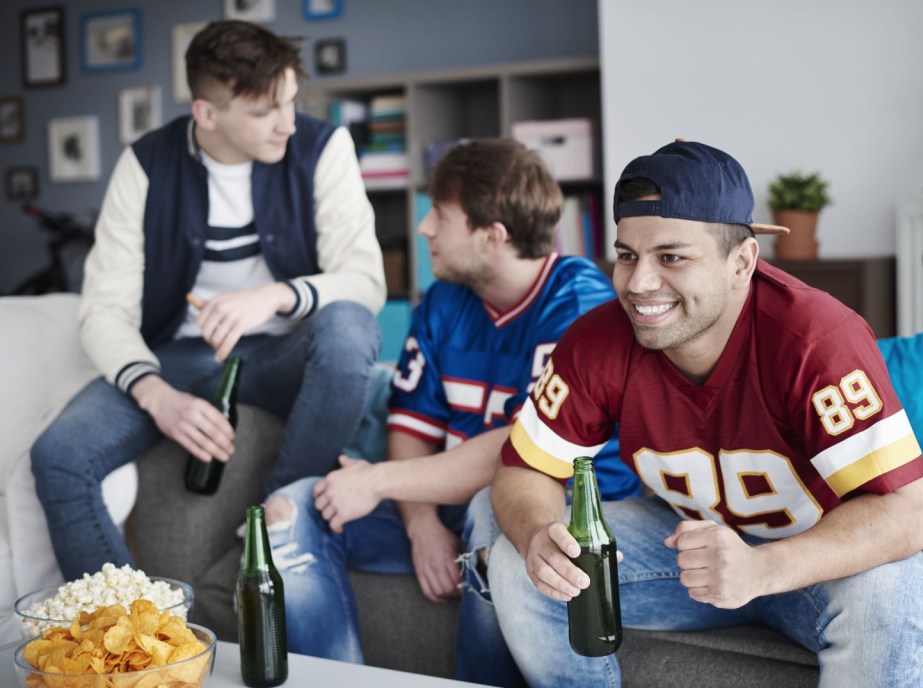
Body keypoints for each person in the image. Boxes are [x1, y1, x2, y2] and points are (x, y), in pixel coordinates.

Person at [488, 140, 923, 688]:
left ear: (742, 262)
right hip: (684, 549)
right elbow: (525, 470)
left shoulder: (815, 339)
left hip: (820, 562)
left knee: (892, 589)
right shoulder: (597, 340)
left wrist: (761, 568)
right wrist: (538, 534)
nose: (638, 283)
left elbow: (908, 513)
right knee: (516, 562)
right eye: (627, 255)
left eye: (671, 257)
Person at [261, 138, 640, 687]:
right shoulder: (443, 299)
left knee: (489, 510)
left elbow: (519, 450)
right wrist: (419, 523)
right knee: (290, 510)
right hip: (443, 501)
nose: (424, 229)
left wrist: (377, 481)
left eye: (440, 214)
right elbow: (411, 424)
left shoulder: (579, 304)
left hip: (544, 509)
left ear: (492, 235)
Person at [31, 20, 386, 581]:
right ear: (206, 113)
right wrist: (155, 394)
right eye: (266, 111)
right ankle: (133, 623)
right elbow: (103, 309)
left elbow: (366, 281)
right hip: (177, 359)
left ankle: (278, 517)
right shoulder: (146, 164)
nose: (288, 123)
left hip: (284, 357)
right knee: (57, 457)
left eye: (291, 101)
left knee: (350, 326)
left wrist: (276, 296)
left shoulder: (324, 148)